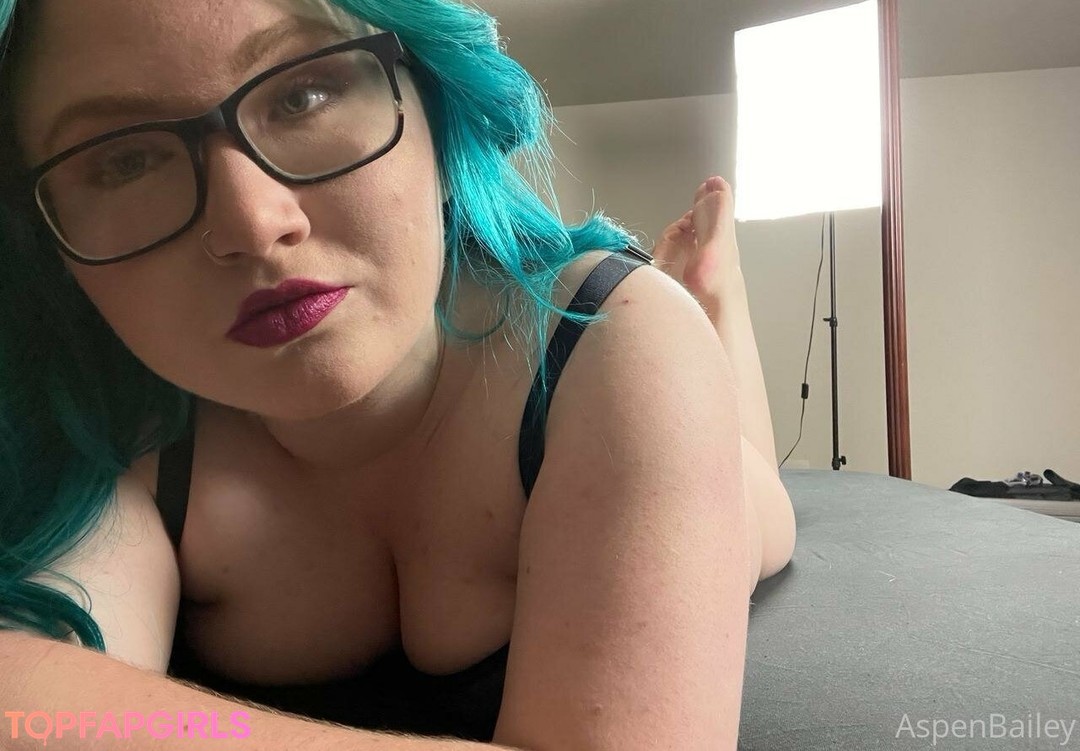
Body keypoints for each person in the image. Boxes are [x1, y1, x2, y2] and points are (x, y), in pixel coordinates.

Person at [0, 0, 795, 748]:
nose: (253, 224)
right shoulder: (118, 431)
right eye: (127, 160)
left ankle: (711, 293)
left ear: (433, 103)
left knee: (744, 466)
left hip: (627, 371)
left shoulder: (615, 338)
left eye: (303, 95)